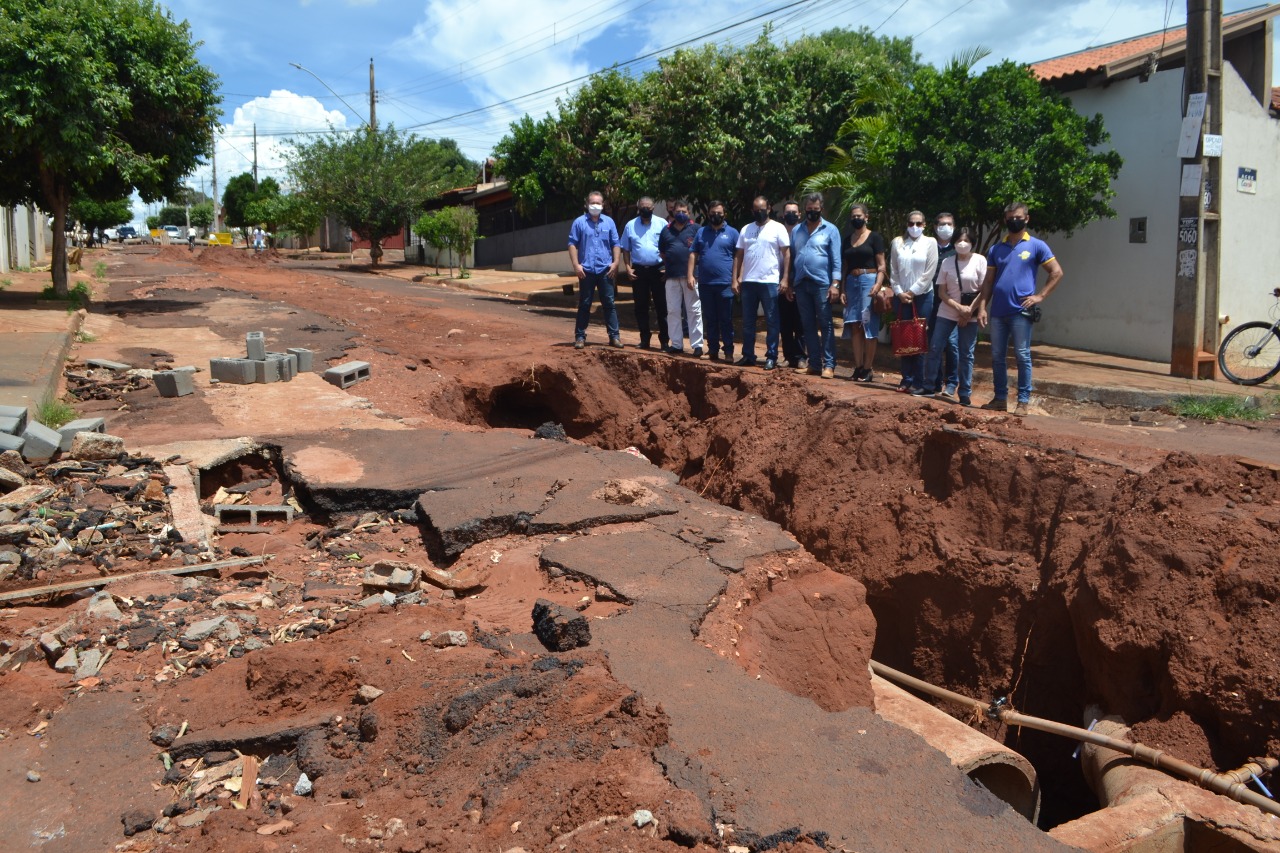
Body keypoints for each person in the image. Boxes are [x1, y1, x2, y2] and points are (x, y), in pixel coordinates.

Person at [975, 202, 1064, 416]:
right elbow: (988, 281)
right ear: (1005, 220)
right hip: (998, 311)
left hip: (1020, 312)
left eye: (1018, 217)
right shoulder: (996, 248)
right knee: (997, 356)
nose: (1013, 221)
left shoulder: (1036, 246)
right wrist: (982, 307)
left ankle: (1023, 401)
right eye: (1009, 218)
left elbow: (1056, 272)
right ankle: (1000, 398)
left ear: (1027, 218)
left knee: (1023, 356)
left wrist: (1040, 296)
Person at [924, 226, 986, 406]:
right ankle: (929, 386)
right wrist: (959, 308)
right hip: (947, 311)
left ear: (972, 243)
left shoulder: (980, 261)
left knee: (966, 353)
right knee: (935, 347)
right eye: (959, 240)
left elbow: (984, 291)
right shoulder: (947, 262)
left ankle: (964, 392)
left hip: (971, 314)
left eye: (966, 241)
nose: (962, 244)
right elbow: (942, 292)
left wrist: (968, 311)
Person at [732, 196, 790, 370]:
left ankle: (771, 356)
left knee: (772, 320)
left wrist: (785, 278)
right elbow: (739, 255)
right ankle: (748, 355)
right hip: (749, 281)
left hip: (770, 282)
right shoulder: (745, 229)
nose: (759, 212)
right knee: (748, 321)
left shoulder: (778, 228)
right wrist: (735, 278)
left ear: (769, 208)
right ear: (752, 211)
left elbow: (786, 253)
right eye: (756, 210)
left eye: (762, 209)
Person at [789, 192, 842, 378]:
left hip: (822, 284)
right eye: (809, 209)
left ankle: (829, 364)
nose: (812, 212)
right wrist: (789, 282)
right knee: (807, 325)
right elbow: (793, 258)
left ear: (822, 209)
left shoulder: (831, 230)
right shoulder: (797, 230)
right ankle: (814, 363)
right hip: (801, 283)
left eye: (816, 210)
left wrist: (835, 284)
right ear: (805, 209)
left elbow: (836, 260)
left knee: (826, 324)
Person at [888, 210, 938, 393]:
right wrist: (900, 292)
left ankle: (919, 381)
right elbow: (893, 270)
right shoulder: (898, 243)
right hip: (901, 297)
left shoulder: (930, 243)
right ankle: (906, 378)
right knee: (905, 336)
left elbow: (929, 272)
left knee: (920, 337)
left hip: (923, 296)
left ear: (924, 225)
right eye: (911, 224)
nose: (914, 227)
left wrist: (912, 292)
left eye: (918, 223)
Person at [567, 190, 623, 349]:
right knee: (585, 303)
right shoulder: (579, 222)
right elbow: (572, 244)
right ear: (586, 204)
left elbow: (616, 244)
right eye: (592, 202)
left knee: (609, 303)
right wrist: (576, 265)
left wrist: (616, 262)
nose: (595, 206)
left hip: (606, 270)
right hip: (586, 271)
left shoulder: (609, 222)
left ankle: (614, 336)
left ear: (603, 205)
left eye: (598, 203)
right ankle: (580, 336)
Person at [838, 202, 887, 382]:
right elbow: (844, 267)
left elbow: (882, 265)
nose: (856, 219)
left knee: (868, 325)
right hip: (851, 282)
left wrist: (878, 284)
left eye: (859, 216)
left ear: (866, 217)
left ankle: (868, 368)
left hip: (869, 281)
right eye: (853, 216)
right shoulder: (847, 240)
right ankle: (858, 367)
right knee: (854, 325)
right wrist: (842, 289)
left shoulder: (875, 237)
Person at [688, 201, 738, 362]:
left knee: (726, 319)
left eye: (719, 213)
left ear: (724, 214)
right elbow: (693, 254)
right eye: (713, 213)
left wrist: (736, 279)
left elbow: (739, 256)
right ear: (708, 214)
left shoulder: (732, 233)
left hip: (725, 284)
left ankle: (729, 351)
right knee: (710, 319)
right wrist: (690, 274)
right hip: (705, 284)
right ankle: (713, 350)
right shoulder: (702, 232)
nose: (716, 216)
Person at [620, 196, 669, 350]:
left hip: (659, 270)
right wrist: (628, 267)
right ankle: (645, 339)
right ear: (638, 207)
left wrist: (668, 267)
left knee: (662, 306)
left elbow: (669, 246)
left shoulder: (662, 224)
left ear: (653, 208)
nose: (645, 209)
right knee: (641, 306)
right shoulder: (630, 225)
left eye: (648, 206)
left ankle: (664, 341)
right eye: (642, 206)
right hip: (639, 271)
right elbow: (625, 249)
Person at [658, 199, 703, 356]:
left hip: (691, 277)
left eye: (684, 211)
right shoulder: (666, 231)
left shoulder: (696, 229)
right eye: (678, 212)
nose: (681, 214)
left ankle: (697, 345)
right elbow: (663, 253)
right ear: (673, 212)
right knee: (673, 311)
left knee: (694, 310)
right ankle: (676, 344)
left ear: (689, 213)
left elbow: (701, 252)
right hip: (671, 277)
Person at [923, 212, 958, 394]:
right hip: (931, 301)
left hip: (951, 303)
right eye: (942, 224)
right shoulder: (928, 248)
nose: (946, 227)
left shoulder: (957, 250)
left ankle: (951, 382)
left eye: (949, 224)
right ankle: (935, 382)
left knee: (952, 344)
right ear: (935, 227)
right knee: (933, 344)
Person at [778, 201, 807, 369]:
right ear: (783, 214)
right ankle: (788, 356)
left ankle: (801, 356)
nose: (791, 215)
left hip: (798, 284)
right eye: (788, 211)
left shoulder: (803, 233)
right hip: (780, 285)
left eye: (794, 212)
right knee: (785, 323)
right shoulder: (778, 230)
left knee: (800, 323)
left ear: (799, 214)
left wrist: (792, 283)